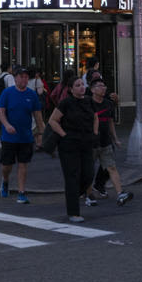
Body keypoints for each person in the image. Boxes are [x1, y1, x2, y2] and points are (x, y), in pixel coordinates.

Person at [47, 76, 97, 222]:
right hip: (69, 145)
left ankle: (75, 195)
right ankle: (73, 212)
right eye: (77, 85)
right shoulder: (66, 103)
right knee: (72, 176)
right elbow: (52, 121)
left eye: (82, 84)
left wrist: (94, 133)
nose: (82, 87)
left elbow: (95, 118)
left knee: (89, 173)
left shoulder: (88, 101)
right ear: (71, 89)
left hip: (86, 143)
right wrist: (64, 135)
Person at [0, 67, 45, 204]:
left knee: (23, 164)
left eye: (26, 77)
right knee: (7, 166)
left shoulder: (32, 95)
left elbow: (38, 116)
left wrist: (42, 134)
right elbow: (0, 111)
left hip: (26, 136)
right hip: (9, 136)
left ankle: (21, 192)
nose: (24, 79)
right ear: (15, 78)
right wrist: (7, 125)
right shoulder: (7, 93)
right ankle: (5, 181)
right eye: (21, 77)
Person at [86, 78, 132, 206]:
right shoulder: (88, 103)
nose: (103, 88)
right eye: (100, 86)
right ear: (93, 90)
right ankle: (89, 195)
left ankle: (120, 193)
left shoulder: (108, 104)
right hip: (91, 143)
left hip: (105, 141)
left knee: (111, 167)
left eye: (104, 86)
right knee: (88, 170)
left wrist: (115, 139)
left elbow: (110, 122)